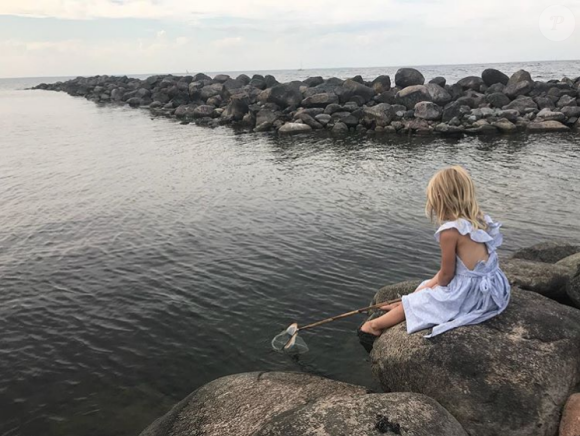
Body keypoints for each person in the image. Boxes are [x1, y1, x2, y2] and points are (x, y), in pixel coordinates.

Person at [359, 165, 510, 345]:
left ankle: (374, 326)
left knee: (426, 298)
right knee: (424, 287)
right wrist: (428, 286)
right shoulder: (478, 219)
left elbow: (446, 275)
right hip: (492, 286)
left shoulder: (450, 231)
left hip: (471, 295)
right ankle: (404, 304)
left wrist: (429, 290)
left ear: (438, 198)